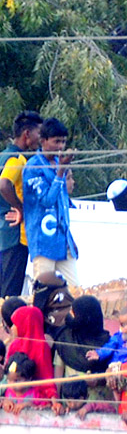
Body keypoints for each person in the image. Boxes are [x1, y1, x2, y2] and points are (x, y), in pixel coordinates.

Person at [22, 118, 79, 286]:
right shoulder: (33, 168)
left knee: (74, 290)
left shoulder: (57, 163)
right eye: (56, 142)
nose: (60, 147)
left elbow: (62, 205)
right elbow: (47, 201)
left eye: (63, 142)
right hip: (43, 242)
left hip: (63, 242)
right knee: (43, 291)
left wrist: (69, 238)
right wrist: (61, 172)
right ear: (43, 141)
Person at [0, 111, 41, 298]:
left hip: (3, 232)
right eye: (39, 134)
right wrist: (20, 208)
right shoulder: (17, 158)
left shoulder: (3, 155)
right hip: (13, 234)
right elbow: (4, 184)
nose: (40, 139)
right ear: (27, 134)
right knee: (9, 295)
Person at [5, 304, 56, 406]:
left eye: (16, 323)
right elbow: (9, 372)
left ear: (26, 324)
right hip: (12, 394)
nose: (13, 327)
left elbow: (47, 379)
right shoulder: (14, 345)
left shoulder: (41, 347)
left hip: (35, 397)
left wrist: (53, 400)